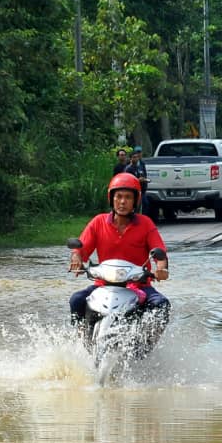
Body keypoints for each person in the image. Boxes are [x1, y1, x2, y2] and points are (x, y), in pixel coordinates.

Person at [68, 173, 170, 347]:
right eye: (119, 196)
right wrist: (76, 258)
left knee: (162, 305)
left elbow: (160, 254)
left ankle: (147, 343)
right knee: (76, 299)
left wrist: (161, 269)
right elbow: (80, 249)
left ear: (135, 201)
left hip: (139, 286)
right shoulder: (98, 222)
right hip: (103, 284)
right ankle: (82, 339)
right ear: (111, 198)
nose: (122, 202)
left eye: (128, 197)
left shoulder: (146, 224)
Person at [124, 146, 150, 215]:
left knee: (145, 204)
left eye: (137, 157)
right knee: (135, 207)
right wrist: (138, 180)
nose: (136, 158)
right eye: (134, 157)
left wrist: (144, 180)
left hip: (141, 190)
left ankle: (142, 219)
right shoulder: (128, 169)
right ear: (130, 158)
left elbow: (143, 175)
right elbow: (128, 180)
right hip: (133, 191)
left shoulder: (140, 166)